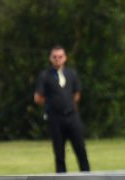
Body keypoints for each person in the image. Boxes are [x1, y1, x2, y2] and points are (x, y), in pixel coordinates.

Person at [34, 45, 91, 173]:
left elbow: (76, 93)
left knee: (80, 149)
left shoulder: (71, 74)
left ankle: (87, 176)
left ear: (65, 58)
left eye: (60, 57)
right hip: (55, 118)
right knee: (59, 152)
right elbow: (38, 97)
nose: (57, 59)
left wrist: (68, 104)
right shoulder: (45, 76)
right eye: (55, 57)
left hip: (72, 116)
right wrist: (53, 104)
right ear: (50, 58)